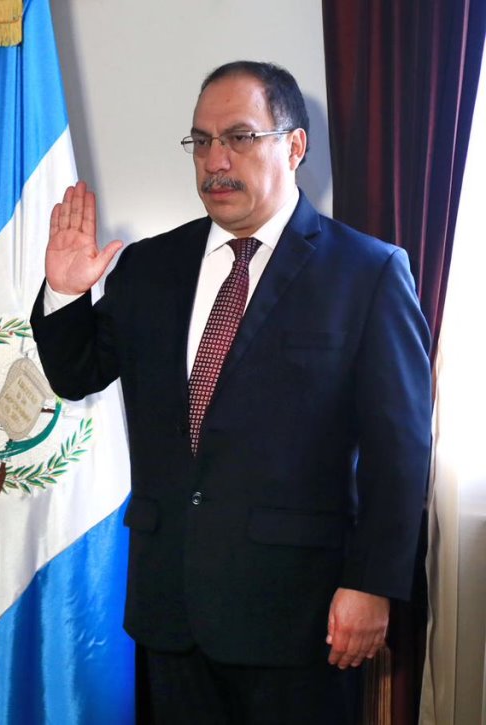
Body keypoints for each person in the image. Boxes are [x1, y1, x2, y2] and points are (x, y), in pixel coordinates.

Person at [31, 61, 431, 723]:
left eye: (240, 137)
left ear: (295, 146)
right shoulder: (149, 266)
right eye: (202, 141)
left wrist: (371, 584)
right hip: (170, 609)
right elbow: (75, 374)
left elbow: (400, 450)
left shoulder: (367, 273)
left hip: (300, 618)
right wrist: (67, 292)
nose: (216, 160)